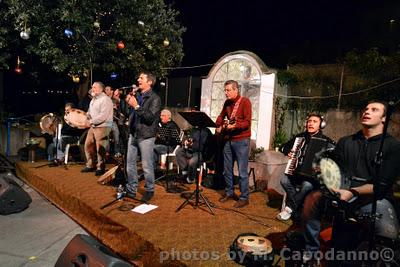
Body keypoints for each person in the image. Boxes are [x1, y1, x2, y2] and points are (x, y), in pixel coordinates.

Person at [301, 101, 400, 262]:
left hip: (373, 198)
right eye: (366, 108)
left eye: (374, 110)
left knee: (387, 235)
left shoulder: (392, 146)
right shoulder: (346, 141)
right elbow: (336, 171)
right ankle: (310, 254)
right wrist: (324, 172)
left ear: (384, 118)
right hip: (342, 193)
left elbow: (382, 185)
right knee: (312, 199)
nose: (367, 111)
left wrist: (353, 192)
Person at [277, 113, 335, 221]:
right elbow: (282, 147)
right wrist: (288, 152)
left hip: (312, 177)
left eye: (314, 122)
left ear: (320, 125)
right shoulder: (300, 137)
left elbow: (334, 158)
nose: (311, 124)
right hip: (297, 172)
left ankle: (289, 209)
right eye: (309, 121)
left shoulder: (326, 142)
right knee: (284, 180)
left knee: (307, 186)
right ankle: (298, 206)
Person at [125, 71, 161, 202]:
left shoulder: (155, 98)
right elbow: (131, 113)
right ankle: (131, 189)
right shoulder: (137, 95)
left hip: (146, 135)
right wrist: (129, 103)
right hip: (133, 134)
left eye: (141, 78)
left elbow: (150, 118)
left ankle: (150, 189)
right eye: (138, 77)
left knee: (146, 165)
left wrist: (136, 106)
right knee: (129, 164)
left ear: (149, 82)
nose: (138, 79)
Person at [216, 80, 252, 208]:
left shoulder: (245, 102)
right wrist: (219, 124)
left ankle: (244, 197)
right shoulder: (227, 103)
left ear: (236, 90)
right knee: (227, 169)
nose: (226, 93)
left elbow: (247, 122)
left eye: (228, 90)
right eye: (225, 90)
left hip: (241, 140)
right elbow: (221, 116)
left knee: (242, 171)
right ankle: (229, 192)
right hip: (228, 139)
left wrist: (236, 125)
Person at [81, 82, 114, 176]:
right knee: (88, 145)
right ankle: (90, 164)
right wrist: (87, 115)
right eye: (92, 87)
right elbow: (90, 111)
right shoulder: (93, 100)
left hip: (103, 126)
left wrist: (90, 122)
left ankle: (101, 167)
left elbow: (103, 116)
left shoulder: (106, 99)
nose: (92, 89)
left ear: (100, 89)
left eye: (94, 87)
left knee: (100, 148)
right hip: (94, 125)